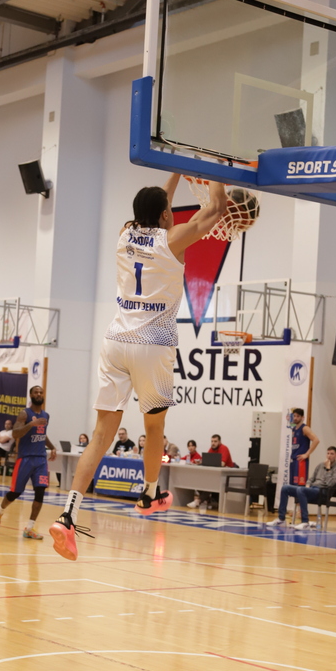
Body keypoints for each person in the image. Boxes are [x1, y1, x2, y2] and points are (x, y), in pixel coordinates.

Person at [49, 172, 227, 560]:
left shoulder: (124, 233)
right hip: (153, 344)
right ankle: (148, 494)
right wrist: (219, 167)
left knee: (100, 434)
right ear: (165, 215)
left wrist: (175, 169)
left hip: (116, 341)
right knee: (154, 427)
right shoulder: (174, 240)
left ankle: (67, 516)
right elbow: (216, 208)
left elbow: (155, 203)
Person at [0, 385, 56, 540]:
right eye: (36, 392)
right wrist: (31, 424)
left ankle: (30, 528)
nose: (39, 394)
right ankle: (0, 510)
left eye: (41, 392)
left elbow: (42, 434)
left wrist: (52, 447)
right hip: (25, 458)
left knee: (40, 492)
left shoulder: (46, 415)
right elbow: (15, 433)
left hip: (40, 459)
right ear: (31, 395)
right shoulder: (24, 413)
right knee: (15, 492)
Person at [268, 446, 336, 529]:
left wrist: (328, 469)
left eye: (332, 454)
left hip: (323, 492)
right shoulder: (320, 465)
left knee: (301, 490)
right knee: (285, 488)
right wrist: (307, 485)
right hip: (312, 489)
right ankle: (281, 519)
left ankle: (305, 521)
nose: (329, 456)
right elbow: (311, 479)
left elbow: (330, 484)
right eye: (328, 453)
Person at [288, 409, 320, 487]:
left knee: (299, 486)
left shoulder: (305, 428)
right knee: (292, 486)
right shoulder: (294, 429)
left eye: (298, 416)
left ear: (302, 417)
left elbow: (316, 440)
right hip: (294, 460)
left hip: (301, 461)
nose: (295, 418)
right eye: (294, 416)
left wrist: (306, 454)